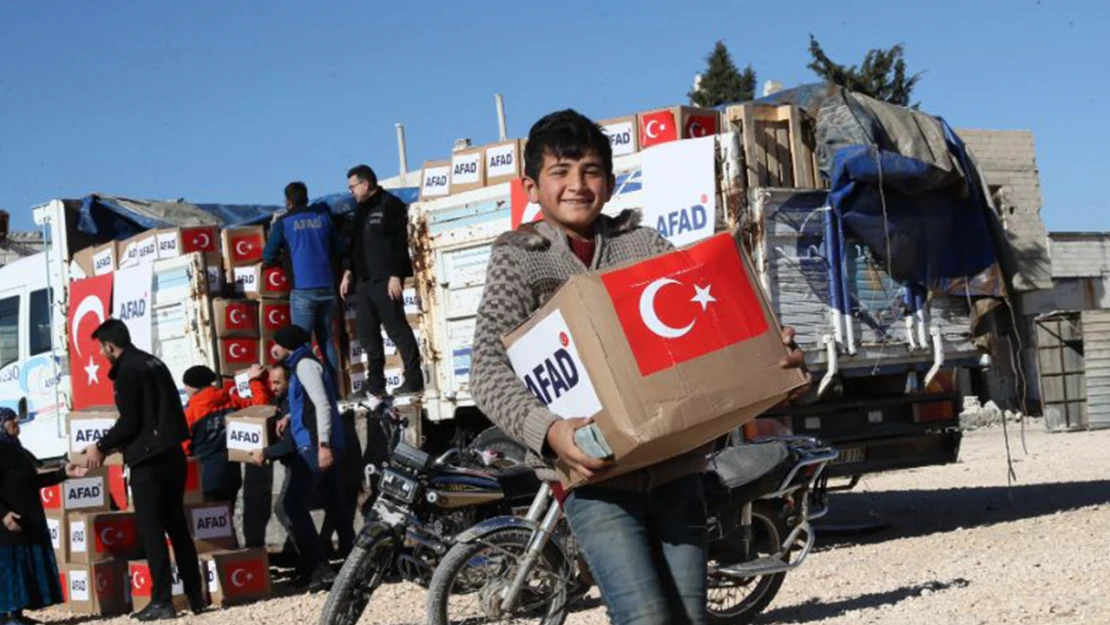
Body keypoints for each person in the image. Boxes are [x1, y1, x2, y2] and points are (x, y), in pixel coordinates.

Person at [469, 110, 806, 625]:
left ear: (609, 181)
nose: (577, 185)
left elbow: (708, 322)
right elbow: (488, 372)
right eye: (561, 172)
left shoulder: (643, 245)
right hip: (594, 480)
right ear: (531, 187)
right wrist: (552, 432)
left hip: (677, 469)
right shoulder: (520, 258)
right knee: (645, 617)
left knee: (689, 617)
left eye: (591, 171)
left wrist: (767, 351)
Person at [82, 319, 205, 621]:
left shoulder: (127, 372)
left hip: (147, 461)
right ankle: (195, 596)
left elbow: (130, 422)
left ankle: (162, 601)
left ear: (110, 346)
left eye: (101, 349)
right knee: (177, 526)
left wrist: (101, 446)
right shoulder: (153, 362)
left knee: (152, 532)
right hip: (173, 455)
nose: (101, 355)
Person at [261, 325, 353, 591]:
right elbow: (307, 402)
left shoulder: (303, 365)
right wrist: (291, 416)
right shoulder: (302, 363)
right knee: (335, 504)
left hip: (314, 445)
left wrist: (322, 444)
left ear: (285, 345)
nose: (273, 349)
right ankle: (351, 560)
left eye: (276, 343)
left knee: (289, 505)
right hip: (318, 442)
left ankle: (319, 568)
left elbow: (322, 403)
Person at [341, 164, 423, 396]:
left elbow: (399, 242)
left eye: (353, 187)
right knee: (367, 334)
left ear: (365, 184)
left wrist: (396, 274)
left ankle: (414, 377)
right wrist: (348, 272)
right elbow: (354, 245)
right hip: (364, 282)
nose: (352, 192)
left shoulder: (390, 205)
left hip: (386, 280)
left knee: (396, 329)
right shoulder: (359, 211)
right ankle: (375, 383)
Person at [0, 408, 88, 625]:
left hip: (26, 518)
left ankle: (17, 614)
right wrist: (3, 515)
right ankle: (6, 615)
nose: (16, 421)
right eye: (11, 418)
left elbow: (32, 481)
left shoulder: (18, 450)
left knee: (23, 567)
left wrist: (63, 473)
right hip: (6, 522)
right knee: (9, 568)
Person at [263, 181, 344, 383]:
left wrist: (284, 258)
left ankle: (310, 391)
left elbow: (268, 254)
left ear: (288, 201)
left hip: (303, 291)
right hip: (327, 287)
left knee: (300, 345)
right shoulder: (323, 217)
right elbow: (339, 247)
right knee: (326, 341)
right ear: (306, 197)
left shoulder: (284, 222)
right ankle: (334, 390)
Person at [182, 363, 271, 504]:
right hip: (231, 477)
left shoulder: (190, 413)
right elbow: (261, 408)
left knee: (212, 523)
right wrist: (255, 381)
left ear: (192, 386)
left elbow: (184, 451)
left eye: (186, 386)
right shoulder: (231, 400)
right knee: (226, 519)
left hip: (204, 480)